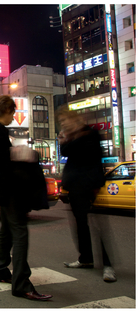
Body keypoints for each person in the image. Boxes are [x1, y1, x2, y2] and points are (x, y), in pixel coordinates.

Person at [0, 95, 52, 301]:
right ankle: (22, 284)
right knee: (20, 235)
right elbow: (2, 163)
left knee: (6, 232)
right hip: (10, 191)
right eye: (12, 111)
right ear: (5, 111)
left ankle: (0, 270)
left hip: (3, 191)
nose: (14, 115)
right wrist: (22, 157)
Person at [57, 107, 112, 281]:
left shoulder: (90, 134)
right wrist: (64, 140)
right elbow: (65, 153)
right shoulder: (72, 137)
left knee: (97, 226)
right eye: (61, 122)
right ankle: (85, 259)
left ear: (73, 119)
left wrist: (69, 139)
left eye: (65, 120)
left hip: (89, 185)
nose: (63, 124)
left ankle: (108, 265)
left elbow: (94, 158)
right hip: (74, 187)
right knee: (80, 224)